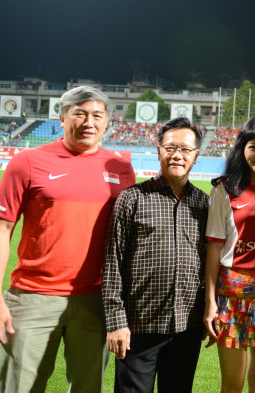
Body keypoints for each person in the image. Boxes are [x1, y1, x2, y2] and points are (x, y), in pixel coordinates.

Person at [0, 86, 136, 392]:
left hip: (96, 300)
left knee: (87, 388)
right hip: (33, 297)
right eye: (79, 113)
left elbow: (128, 239)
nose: (88, 122)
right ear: (62, 117)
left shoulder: (121, 169)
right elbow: (1, 229)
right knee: (20, 388)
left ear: (107, 122)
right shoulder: (28, 161)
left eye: (96, 115)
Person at [103, 117, 209, 392]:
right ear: (159, 151)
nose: (177, 155)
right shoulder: (132, 198)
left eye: (185, 149)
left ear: (196, 156)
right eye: (170, 147)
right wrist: (116, 322)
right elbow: (113, 262)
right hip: (139, 325)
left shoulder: (204, 203)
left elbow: (211, 262)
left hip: (186, 325)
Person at [203, 115, 255, 393]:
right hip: (232, 293)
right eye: (252, 146)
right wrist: (211, 302)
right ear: (242, 149)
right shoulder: (224, 190)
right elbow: (214, 248)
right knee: (232, 383)